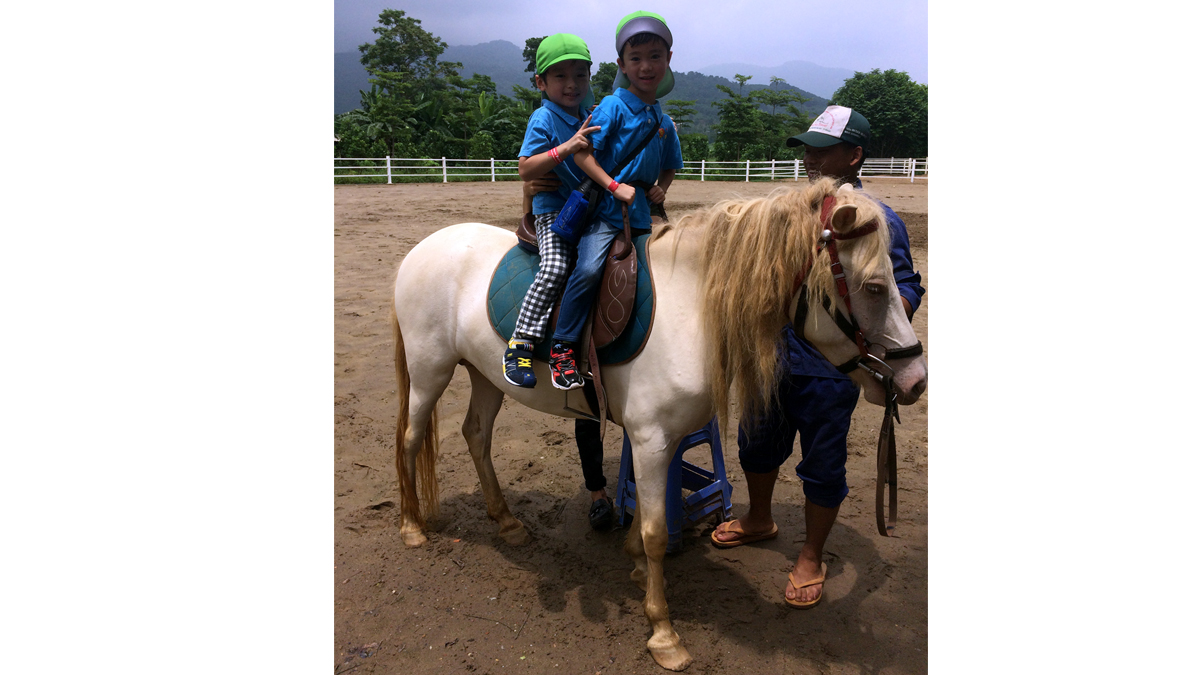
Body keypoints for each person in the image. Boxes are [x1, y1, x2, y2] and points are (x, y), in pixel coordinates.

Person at [709, 105, 925, 609]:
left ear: (854, 156)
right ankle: (759, 519)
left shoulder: (876, 219)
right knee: (756, 445)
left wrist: (872, 331)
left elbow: (904, 286)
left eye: (822, 148)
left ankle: (811, 554)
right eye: (807, 147)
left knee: (823, 463)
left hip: (831, 366)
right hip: (773, 356)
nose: (810, 156)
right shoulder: (793, 213)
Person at [546, 10, 683, 392]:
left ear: (668, 60)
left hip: (642, 214)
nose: (646, 66)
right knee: (589, 269)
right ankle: (563, 346)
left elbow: (671, 165)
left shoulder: (664, 121)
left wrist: (661, 189)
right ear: (622, 64)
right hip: (606, 214)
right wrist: (612, 186)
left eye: (655, 56)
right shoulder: (611, 107)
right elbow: (582, 155)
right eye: (636, 59)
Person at [503, 33, 601, 390]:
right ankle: (521, 343)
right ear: (541, 82)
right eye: (560, 76)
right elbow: (526, 168)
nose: (572, 84)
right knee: (557, 267)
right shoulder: (543, 119)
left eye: (580, 75)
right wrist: (567, 148)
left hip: (589, 212)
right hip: (553, 213)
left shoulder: (590, 114)